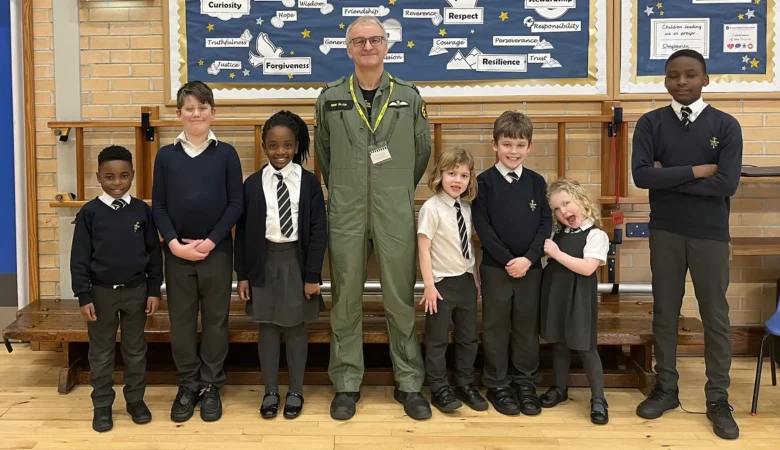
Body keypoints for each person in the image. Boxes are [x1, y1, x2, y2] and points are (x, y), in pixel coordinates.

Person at [314, 16, 432, 421]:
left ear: (387, 45)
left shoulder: (409, 97)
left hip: (394, 210)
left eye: (375, 39)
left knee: (399, 298)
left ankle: (409, 383)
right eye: (359, 41)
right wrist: (347, 188)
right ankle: (347, 383)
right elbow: (325, 156)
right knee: (345, 298)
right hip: (346, 210)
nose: (367, 46)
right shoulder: (330, 98)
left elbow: (420, 154)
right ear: (348, 49)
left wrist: (394, 189)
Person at [631, 49, 742, 440]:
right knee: (665, 311)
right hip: (666, 231)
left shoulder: (725, 125)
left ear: (705, 79)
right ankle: (666, 387)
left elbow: (726, 183)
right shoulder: (650, 123)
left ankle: (718, 398)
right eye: (673, 75)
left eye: (690, 75)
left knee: (715, 316)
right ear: (665, 80)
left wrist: (670, 178)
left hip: (710, 233)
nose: (681, 81)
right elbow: (642, 177)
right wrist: (697, 171)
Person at [152, 81, 244, 423]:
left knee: (216, 320)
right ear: (179, 114)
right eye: (189, 108)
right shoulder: (166, 156)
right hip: (177, 253)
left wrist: (212, 241)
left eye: (202, 108)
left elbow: (235, 204)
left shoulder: (226, 154)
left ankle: (210, 385)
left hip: (215, 251)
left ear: (213, 112)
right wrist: (174, 243)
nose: (196, 114)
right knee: (182, 321)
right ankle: (187, 384)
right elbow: (159, 206)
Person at [234, 111, 327, 420]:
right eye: (273, 145)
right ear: (264, 146)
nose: (280, 152)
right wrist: (243, 275)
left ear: (296, 146)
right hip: (264, 263)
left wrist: (312, 275)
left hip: (296, 263)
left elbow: (318, 232)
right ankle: (271, 390)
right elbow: (243, 233)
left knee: (296, 327)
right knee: (269, 328)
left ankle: (296, 390)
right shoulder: (252, 184)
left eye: (287, 145)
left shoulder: (309, 183)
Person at [70, 145, 163, 432]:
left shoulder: (142, 211)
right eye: (109, 177)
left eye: (123, 176)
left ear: (132, 175)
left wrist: (153, 290)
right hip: (101, 294)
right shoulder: (89, 213)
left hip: (136, 292)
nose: (117, 183)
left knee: (135, 350)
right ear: (98, 177)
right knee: (101, 353)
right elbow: (79, 258)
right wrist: (83, 295)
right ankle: (102, 406)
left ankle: (135, 400)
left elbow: (154, 254)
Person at [472, 110, 552, 416]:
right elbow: (483, 228)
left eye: (520, 145)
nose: (513, 151)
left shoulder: (536, 182)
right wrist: (508, 260)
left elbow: (545, 225)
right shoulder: (483, 183)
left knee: (526, 328)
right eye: (507, 144)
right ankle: (497, 384)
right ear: (494, 144)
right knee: (495, 327)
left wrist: (529, 259)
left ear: (530, 147)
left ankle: (526, 383)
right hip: (497, 269)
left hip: (531, 269)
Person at [417, 147, 488, 413]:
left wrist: (475, 277)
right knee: (437, 338)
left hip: (466, 281)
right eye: (451, 174)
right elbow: (423, 249)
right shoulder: (431, 208)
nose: (457, 180)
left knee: (468, 338)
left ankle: (464, 383)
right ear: (440, 175)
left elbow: (468, 247)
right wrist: (429, 285)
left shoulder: (466, 208)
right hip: (441, 284)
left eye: (464, 175)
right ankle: (438, 387)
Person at [539, 178, 609, 425]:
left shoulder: (596, 234)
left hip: (579, 296)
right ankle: (559, 388)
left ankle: (599, 399)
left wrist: (557, 254)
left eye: (567, 203)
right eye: (557, 209)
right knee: (559, 343)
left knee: (585, 346)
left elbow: (588, 268)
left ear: (581, 200)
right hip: (556, 294)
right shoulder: (557, 234)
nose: (563, 212)